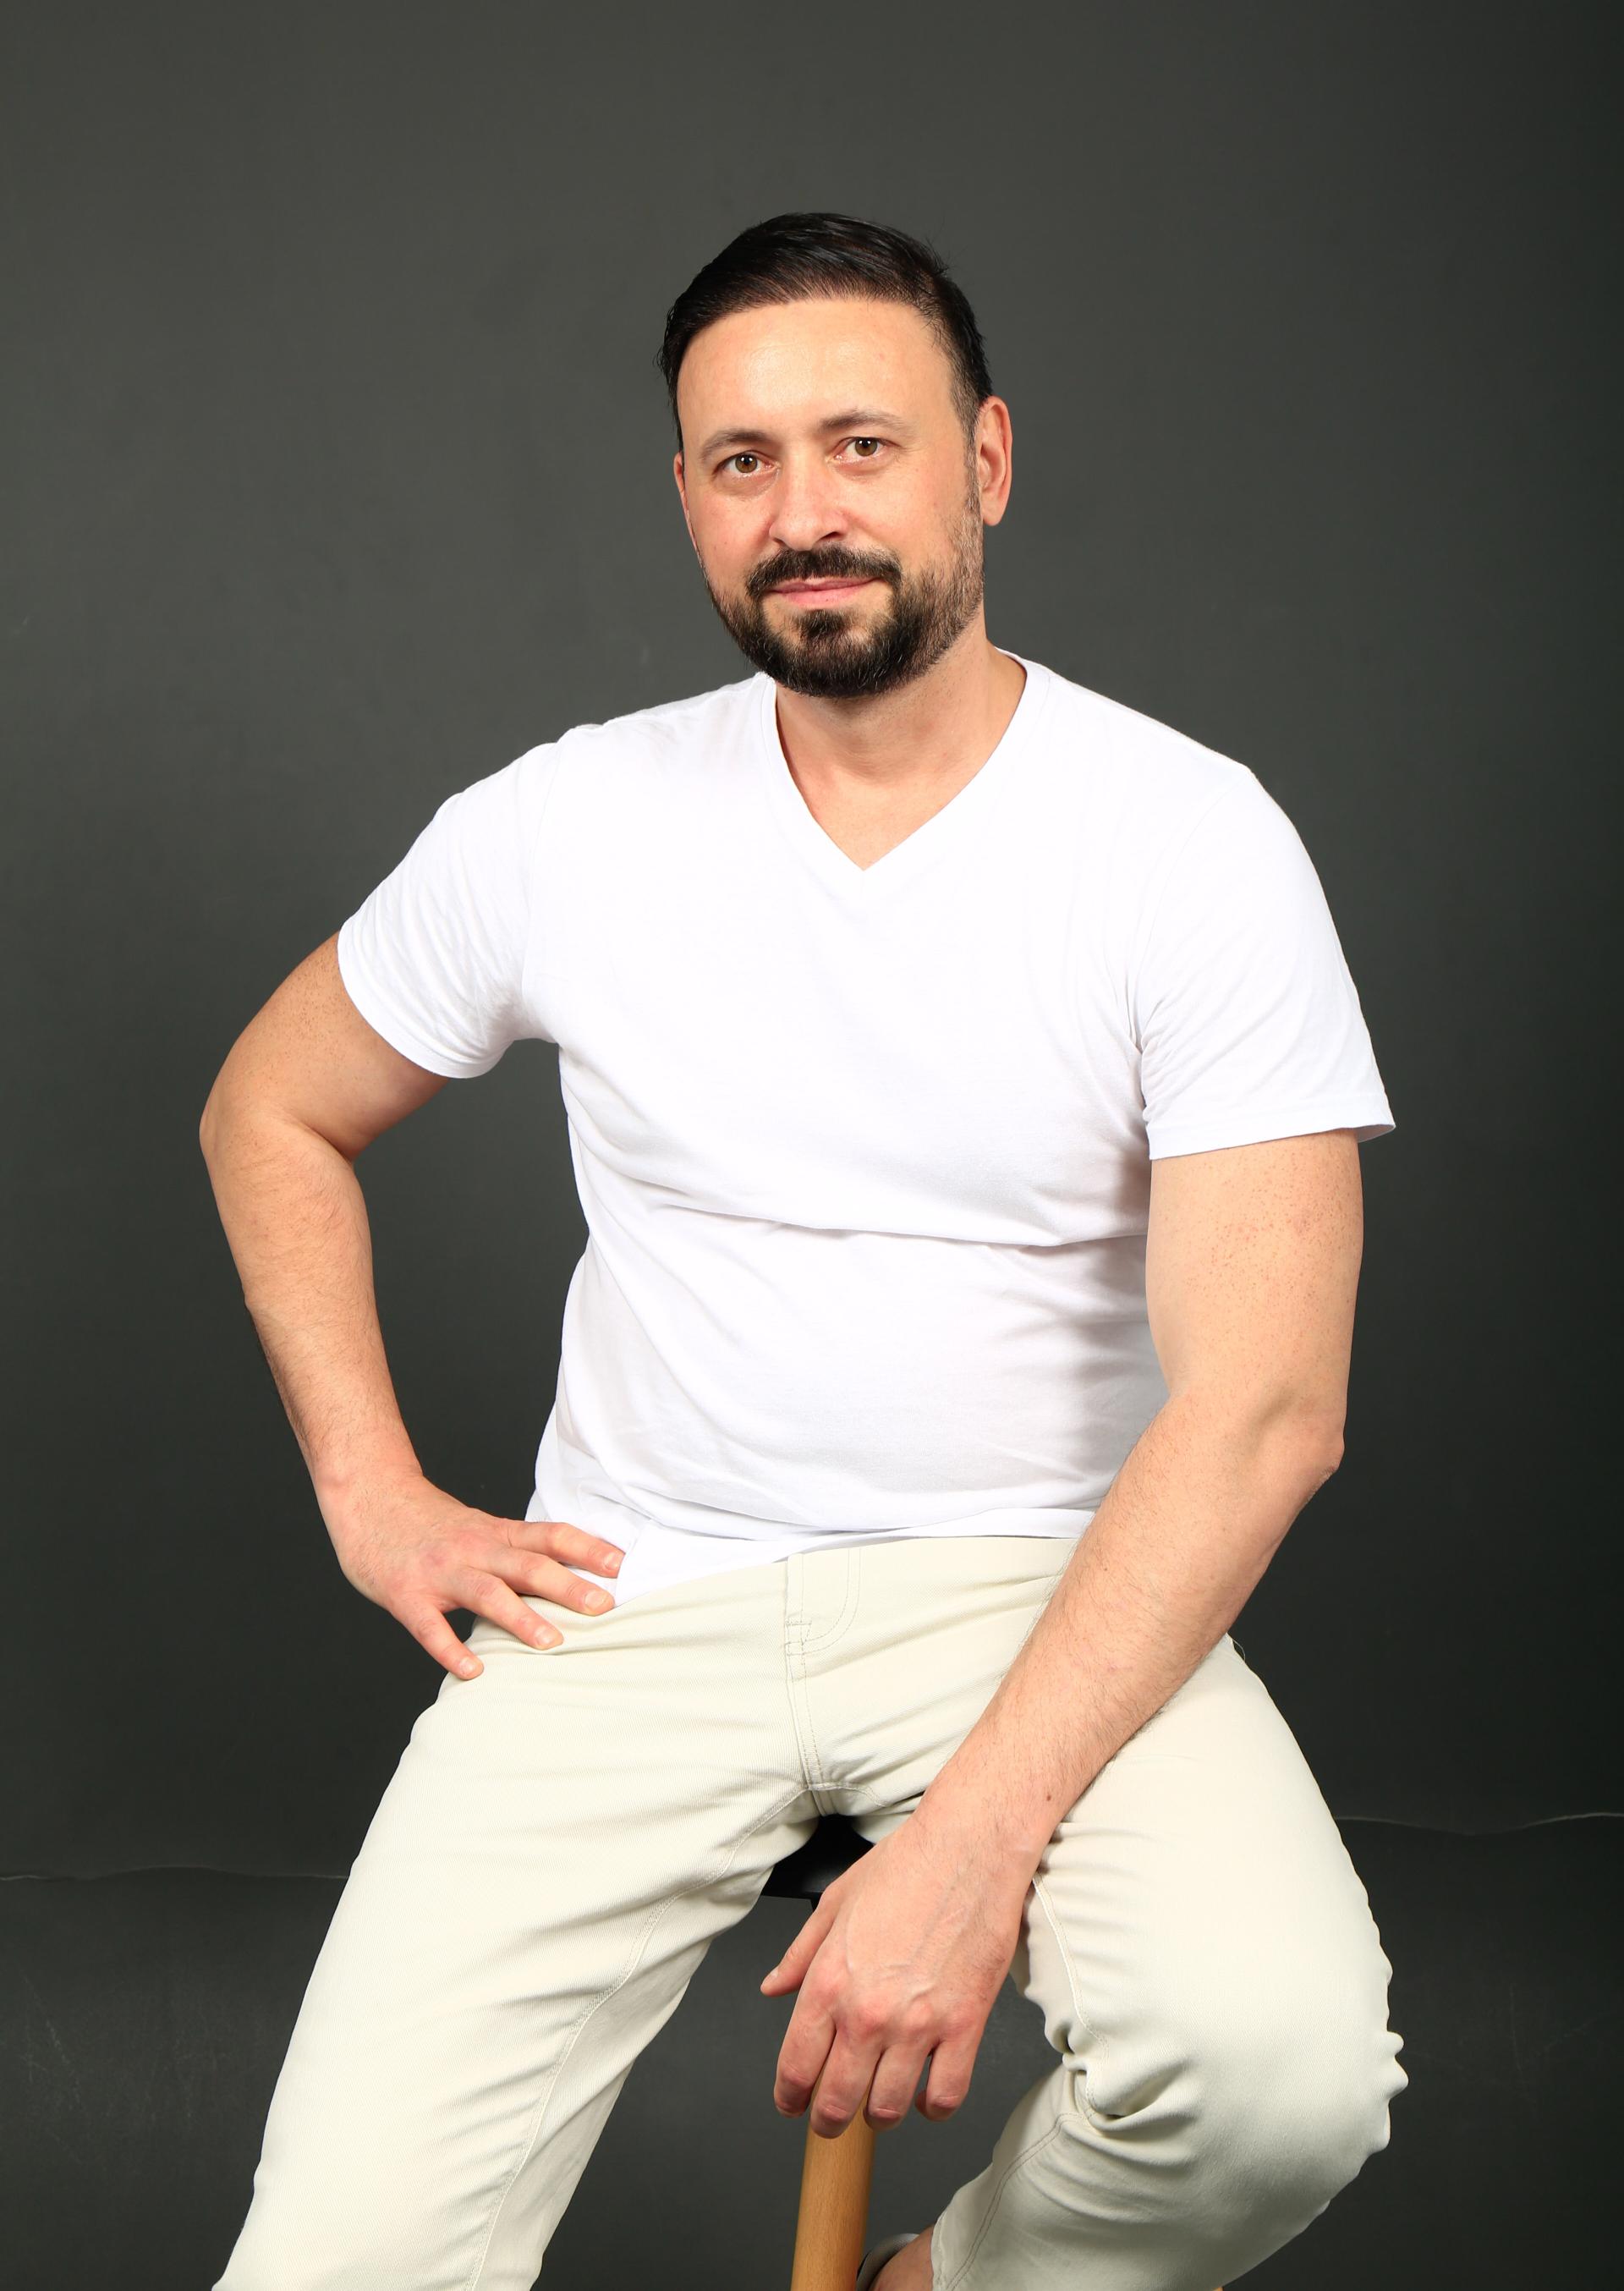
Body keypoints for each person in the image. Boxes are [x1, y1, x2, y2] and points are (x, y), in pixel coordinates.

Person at [200, 212, 1408, 2291]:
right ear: (686, 496)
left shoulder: (1187, 840)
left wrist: (973, 1844)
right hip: (630, 1595)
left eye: (863, 444)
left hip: (1036, 1586)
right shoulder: (567, 822)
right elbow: (271, 1106)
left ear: (985, 461)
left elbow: (1271, 1408)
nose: (804, 513)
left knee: (1273, 2076)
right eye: (742, 461)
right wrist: (369, 1490)